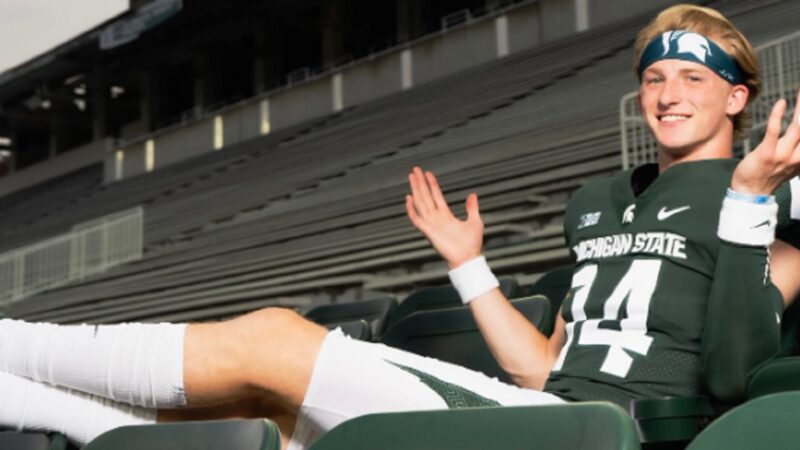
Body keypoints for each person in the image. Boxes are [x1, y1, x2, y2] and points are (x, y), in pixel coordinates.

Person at [1, 3, 800, 449]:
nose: (667, 94)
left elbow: (733, 375)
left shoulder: (763, 202)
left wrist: (750, 202)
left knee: (277, 340)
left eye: (694, 78)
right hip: (541, 412)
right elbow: (539, 367)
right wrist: (470, 269)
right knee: (263, 430)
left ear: (737, 96)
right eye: (654, 77)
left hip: (611, 434)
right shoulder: (596, 200)